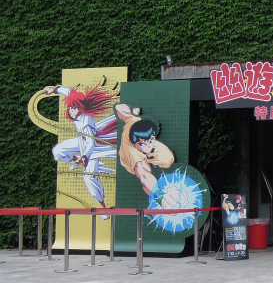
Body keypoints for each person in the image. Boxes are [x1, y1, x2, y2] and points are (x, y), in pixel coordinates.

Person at [44, 84, 118, 217]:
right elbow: (69, 91)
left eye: (76, 108)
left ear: (81, 108)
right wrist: (54, 90)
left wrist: (85, 156)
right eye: (71, 108)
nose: (72, 110)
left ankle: (103, 207)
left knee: (89, 178)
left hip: (93, 148)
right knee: (58, 150)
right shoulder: (75, 102)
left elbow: (90, 142)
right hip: (81, 141)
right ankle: (75, 159)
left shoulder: (86, 121)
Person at [116, 103, 175, 196]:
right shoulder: (132, 153)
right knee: (145, 171)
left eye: (151, 141)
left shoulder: (134, 120)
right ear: (135, 143)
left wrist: (132, 112)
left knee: (168, 159)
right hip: (134, 159)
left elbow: (118, 107)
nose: (148, 147)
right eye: (143, 144)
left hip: (153, 156)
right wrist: (162, 196)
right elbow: (144, 177)